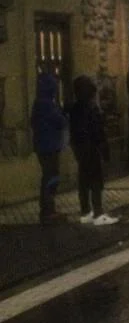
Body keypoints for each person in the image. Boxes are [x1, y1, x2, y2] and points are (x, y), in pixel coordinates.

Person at [68, 75, 119, 226]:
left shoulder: (75, 109)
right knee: (96, 181)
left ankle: (85, 212)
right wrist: (104, 150)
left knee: (83, 180)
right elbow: (98, 132)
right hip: (92, 148)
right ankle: (98, 213)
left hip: (80, 148)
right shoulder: (92, 108)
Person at [31, 73, 68, 224]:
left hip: (44, 146)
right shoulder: (47, 105)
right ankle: (48, 210)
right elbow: (60, 121)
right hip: (49, 147)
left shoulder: (38, 104)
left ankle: (48, 209)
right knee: (51, 177)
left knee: (49, 176)